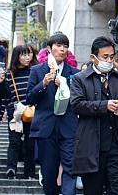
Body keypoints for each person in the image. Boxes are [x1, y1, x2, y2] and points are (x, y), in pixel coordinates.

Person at [70, 37, 118, 195]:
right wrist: (104, 106)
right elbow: (77, 105)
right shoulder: (80, 79)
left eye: (112, 57)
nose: (109, 60)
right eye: (105, 57)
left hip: (117, 144)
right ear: (93, 58)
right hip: (91, 146)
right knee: (93, 191)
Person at [26, 32, 79, 195]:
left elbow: (79, 99)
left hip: (68, 127)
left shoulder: (74, 73)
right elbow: (29, 98)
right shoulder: (37, 70)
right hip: (46, 127)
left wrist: (64, 86)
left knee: (71, 168)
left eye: (65, 46)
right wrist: (42, 84)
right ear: (49, 49)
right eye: (58, 46)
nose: (62, 50)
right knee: (49, 171)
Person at [5, 44, 37, 180]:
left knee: (31, 144)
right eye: (24, 54)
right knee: (14, 141)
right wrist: (4, 111)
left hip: (31, 111)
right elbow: (6, 95)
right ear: (17, 57)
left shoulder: (35, 71)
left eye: (29, 54)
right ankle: (11, 168)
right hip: (15, 112)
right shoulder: (9, 73)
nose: (27, 57)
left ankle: (29, 172)